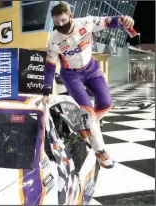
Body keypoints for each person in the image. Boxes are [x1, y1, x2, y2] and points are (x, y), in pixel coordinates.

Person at [41, 2, 135, 169]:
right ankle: (101, 152)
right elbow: (49, 67)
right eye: (56, 23)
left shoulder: (87, 22)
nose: (61, 25)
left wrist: (124, 19)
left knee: (107, 104)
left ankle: (84, 124)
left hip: (92, 69)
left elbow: (110, 21)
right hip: (71, 75)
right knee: (90, 115)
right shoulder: (53, 40)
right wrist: (46, 90)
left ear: (71, 16)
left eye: (63, 20)